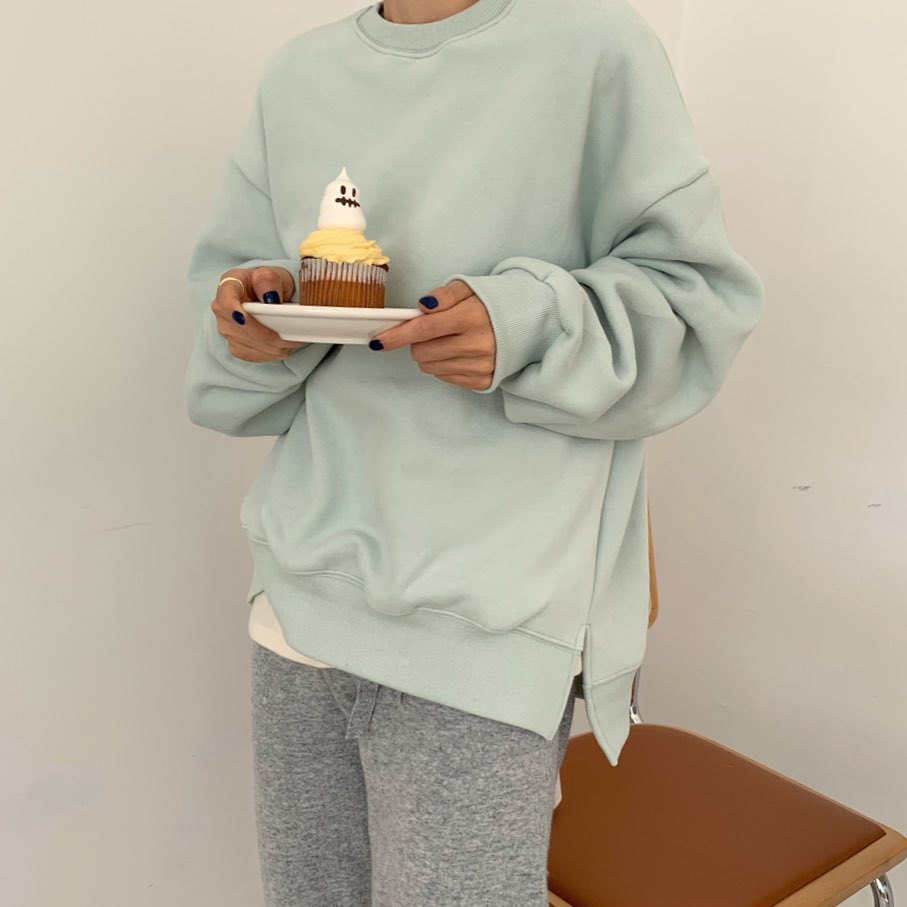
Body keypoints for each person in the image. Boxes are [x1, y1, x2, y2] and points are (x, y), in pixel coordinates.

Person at [183, 0, 765, 903]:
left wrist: (525, 323)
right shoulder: (298, 75)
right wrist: (254, 318)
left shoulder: (596, 49)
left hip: (488, 623)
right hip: (300, 595)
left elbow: (697, 307)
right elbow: (231, 317)